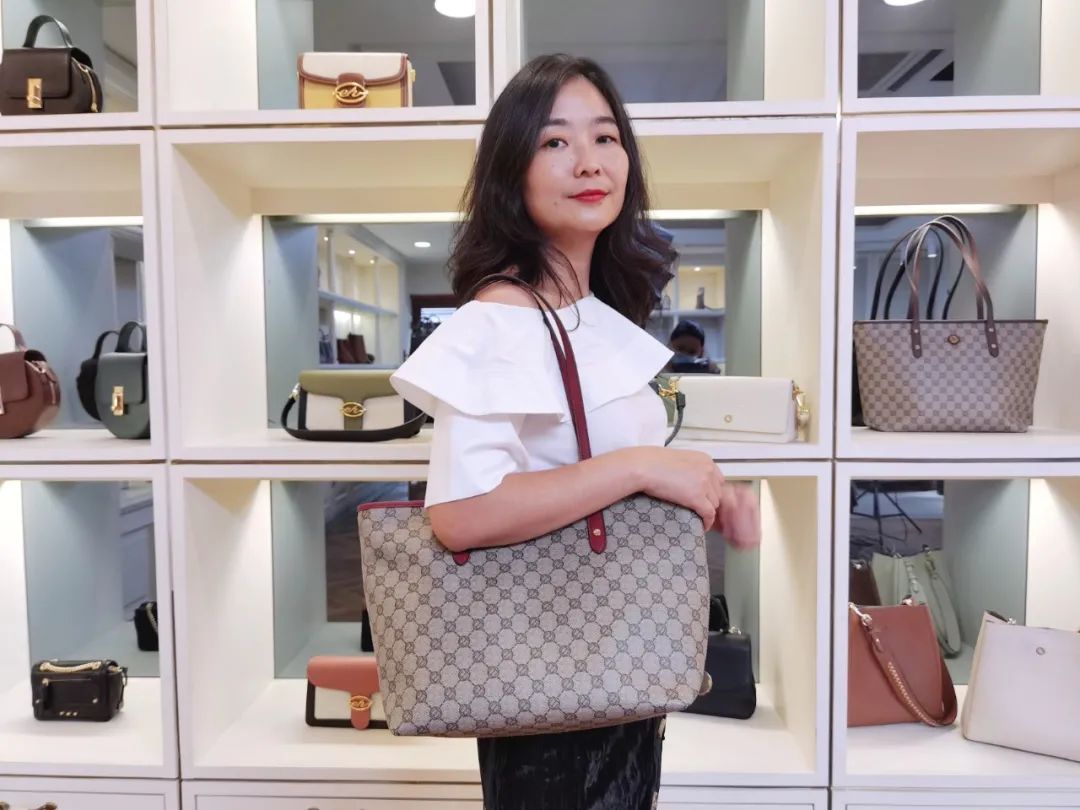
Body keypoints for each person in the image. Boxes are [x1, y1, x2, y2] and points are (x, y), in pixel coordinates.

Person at [389, 53, 761, 810]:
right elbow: (461, 514)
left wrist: (698, 491)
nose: (589, 161)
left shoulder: (586, 314)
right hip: (551, 689)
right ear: (513, 172)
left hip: (613, 662)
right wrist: (641, 469)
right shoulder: (505, 318)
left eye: (606, 137)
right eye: (555, 141)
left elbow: (581, 470)